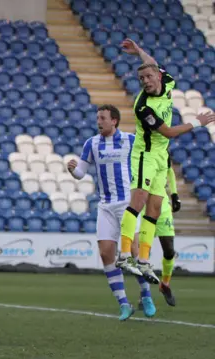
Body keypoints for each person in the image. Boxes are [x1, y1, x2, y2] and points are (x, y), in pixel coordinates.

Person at [115, 39, 215, 284]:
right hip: (145, 155)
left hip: (161, 158)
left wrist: (139, 50)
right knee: (138, 201)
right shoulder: (143, 107)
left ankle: (144, 260)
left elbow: (152, 62)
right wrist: (197, 122)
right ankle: (124, 254)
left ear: (158, 76)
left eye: (149, 77)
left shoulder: (167, 82)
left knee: (155, 209)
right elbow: (168, 132)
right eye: (142, 80)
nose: (146, 81)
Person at [68, 104, 149, 321]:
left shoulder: (130, 141)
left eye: (102, 118)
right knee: (106, 253)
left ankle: (146, 294)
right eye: (97, 118)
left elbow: (147, 161)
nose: (99, 121)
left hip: (127, 204)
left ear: (114, 121)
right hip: (105, 206)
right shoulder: (91, 143)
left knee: (133, 251)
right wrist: (73, 170)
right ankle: (124, 303)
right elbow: (81, 173)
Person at [133, 161, 180, 310]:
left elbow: (169, 171)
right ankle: (144, 293)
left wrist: (174, 194)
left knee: (169, 250)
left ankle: (165, 284)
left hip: (162, 205)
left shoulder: (162, 147)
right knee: (142, 255)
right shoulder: (139, 148)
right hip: (143, 207)